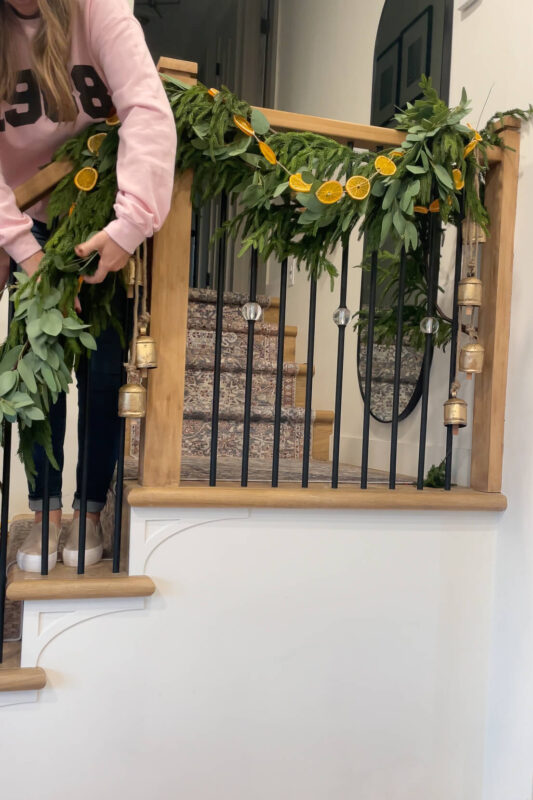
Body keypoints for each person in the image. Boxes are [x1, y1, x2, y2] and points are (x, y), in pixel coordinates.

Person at [0, 0, 177, 571]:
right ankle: (45, 513)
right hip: (26, 219)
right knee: (40, 373)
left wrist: (129, 227)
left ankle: (91, 510)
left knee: (103, 370)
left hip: (101, 214)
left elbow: (148, 111)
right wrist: (24, 249)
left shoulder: (96, 9)